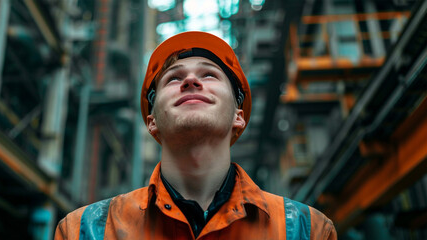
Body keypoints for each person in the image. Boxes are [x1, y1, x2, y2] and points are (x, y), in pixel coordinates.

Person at [54, 31, 337, 240]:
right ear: (152, 121)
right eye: (174, 78)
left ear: (238, 115)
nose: (191, 80)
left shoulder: (307, 229)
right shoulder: (84, 230)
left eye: (210, 75)